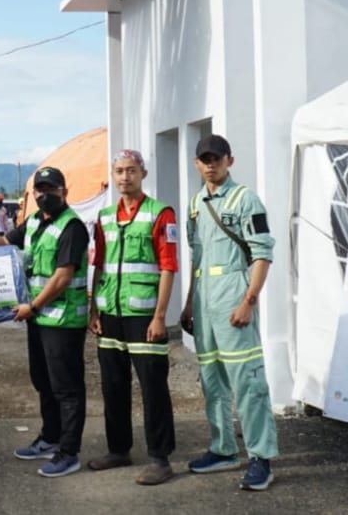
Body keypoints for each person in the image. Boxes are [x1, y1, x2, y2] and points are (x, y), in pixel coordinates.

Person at [0, 166, 89, 478]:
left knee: (66, 388)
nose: (46, 196)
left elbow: (62, 277)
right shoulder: (33, 222)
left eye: (52, 190)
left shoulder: (72, 227)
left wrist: (32, 306)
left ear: (65, 192)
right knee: (43, 381)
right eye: (40, 191)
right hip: (39, 319)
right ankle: (50, 437)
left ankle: (68, 451)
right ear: (33, 194)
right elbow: (3, 242)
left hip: (63, 320)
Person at [179, 134, 279, 491]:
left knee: (248, 382)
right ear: (196, 163)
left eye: (217, 158)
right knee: (213, 381)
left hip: (235, 297)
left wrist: (249, 300)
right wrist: (190, 303)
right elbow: (197, 258)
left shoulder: (245, 199)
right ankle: (223, 449)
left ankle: (260, 458)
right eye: (204, 159)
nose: (211, 164)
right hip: (205, 303)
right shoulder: (196, 203)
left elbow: (262, 253)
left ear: (229, 161)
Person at [86, 150, 177, 485]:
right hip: (110, 313)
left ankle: (160, 458)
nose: (125, 177)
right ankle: (118, 449)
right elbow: (99, 265)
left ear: (143, 173)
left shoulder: (160, 214)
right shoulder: (105, 217)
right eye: (119, 171)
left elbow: (168, 267)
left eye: (131, 171)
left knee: (153, 387)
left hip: (144, 315)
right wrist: (93, 309)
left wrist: (160, 316)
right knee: (113, 385)